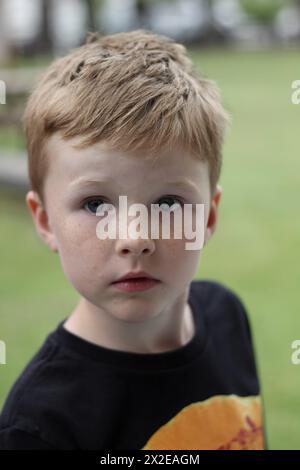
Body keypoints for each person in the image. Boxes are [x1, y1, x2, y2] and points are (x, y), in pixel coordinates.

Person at [0, 29, 267, 450]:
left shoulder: (227, 317)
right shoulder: (40, 424)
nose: (135, 238)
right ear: (46, 220)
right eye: (95, 205)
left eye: (167, 202)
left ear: (209, 215)